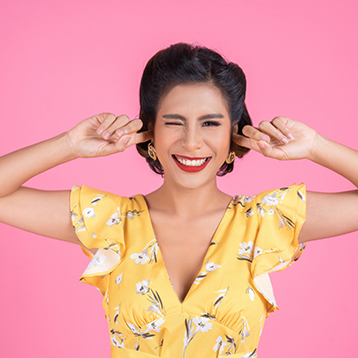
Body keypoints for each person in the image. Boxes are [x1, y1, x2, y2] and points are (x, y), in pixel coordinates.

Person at [0, 43, 357, 358]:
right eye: (174, 123)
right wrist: (70, 145)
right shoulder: (111, 221)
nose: (190, 142)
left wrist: (315, 146)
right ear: (150, 132)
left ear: (234, 135)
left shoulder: (266, 221)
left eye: (210, 124)